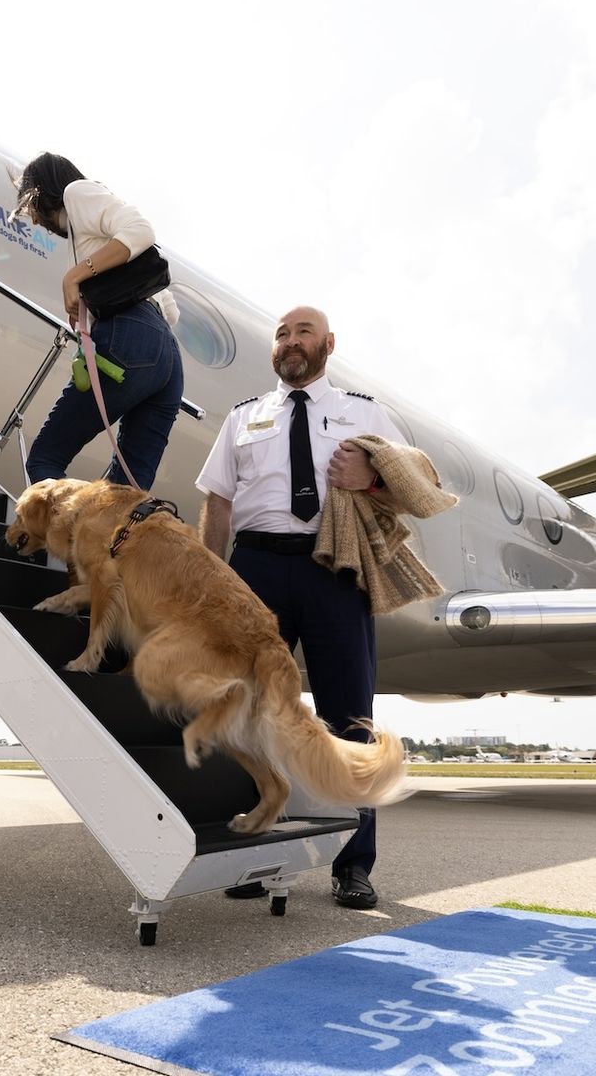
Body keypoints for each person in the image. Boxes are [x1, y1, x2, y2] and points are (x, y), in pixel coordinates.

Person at [194, 305, 404, 911]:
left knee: (349, 715)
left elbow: (413, 487)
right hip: (257, 569)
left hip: (334, 568)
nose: (290, 342)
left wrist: (370, 476)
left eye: (302, 332)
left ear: (328, 344)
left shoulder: (365, 412)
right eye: (282, 334)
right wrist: (214, 585)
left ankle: (353, 865)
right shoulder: (243, 419)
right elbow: (218, 503)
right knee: (251, 714)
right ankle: (257, 854)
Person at [16, 153, 184, 490]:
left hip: (134, 335)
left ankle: (68, 535)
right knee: (125, 492)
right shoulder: (87, 232)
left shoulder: (77, 193)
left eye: (28, 208)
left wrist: (74, 277)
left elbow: (141, 230)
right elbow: (171, 314)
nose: (33, 220)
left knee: (45, 458)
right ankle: (106, 537)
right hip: (166, 357)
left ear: (38, 192)